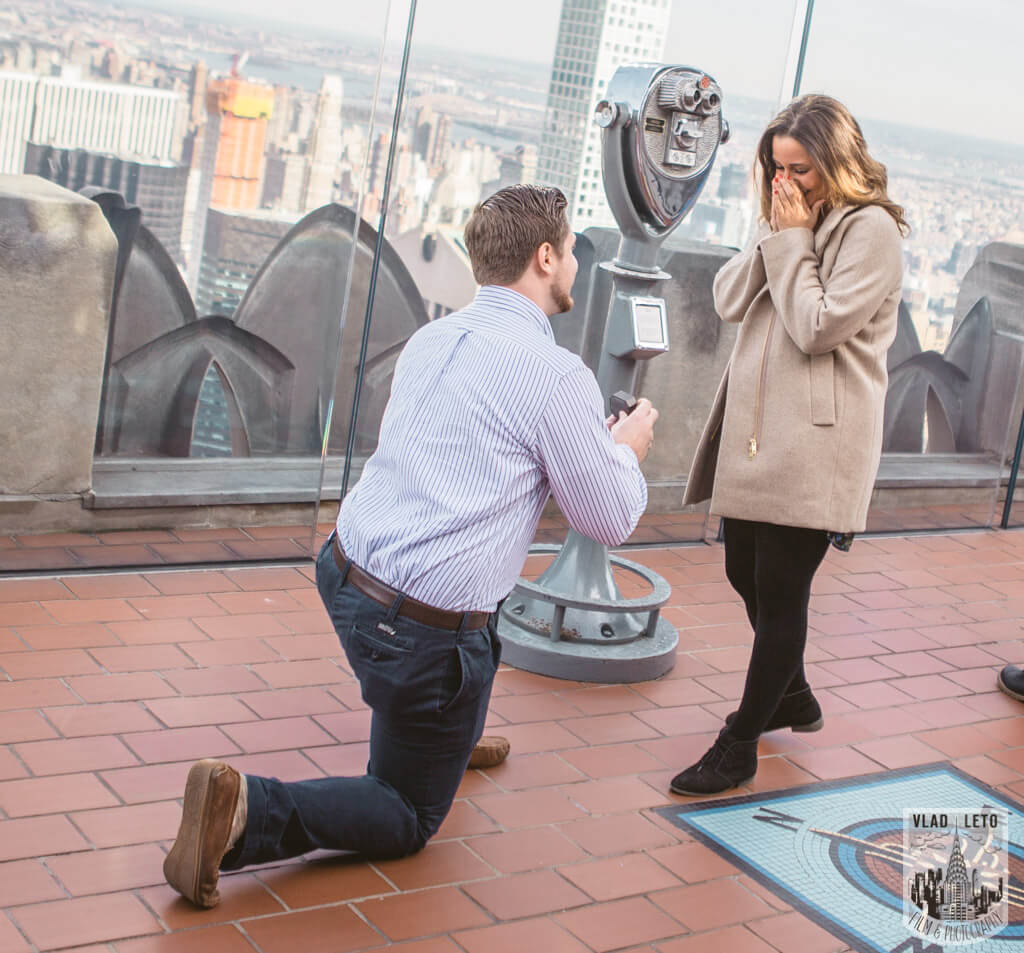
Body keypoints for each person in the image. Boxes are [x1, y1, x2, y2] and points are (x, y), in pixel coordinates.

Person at [163, 184, 659, 907]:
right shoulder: (556, 377)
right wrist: (625, 451)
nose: (578, 264)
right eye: (573, 252)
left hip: (342, 572)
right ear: (545, 256)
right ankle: (245, 809)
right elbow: (609, 517)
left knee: (477, 612)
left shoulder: (434, 337)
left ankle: (445, 731)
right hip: (415, 635)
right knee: (407, 811)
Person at [670, 95, 908, 797]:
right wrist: (778, 234)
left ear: (836, 163)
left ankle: (739, 741)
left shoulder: (871, 233)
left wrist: (793, 241)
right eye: (777, 167)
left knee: (781, 593)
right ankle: (793, 693)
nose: (787, 182)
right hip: (759, 437)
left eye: (800, 168)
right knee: (744, 573)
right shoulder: (790, 220)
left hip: (818, 446)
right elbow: (725, 298)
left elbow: (815, 326)